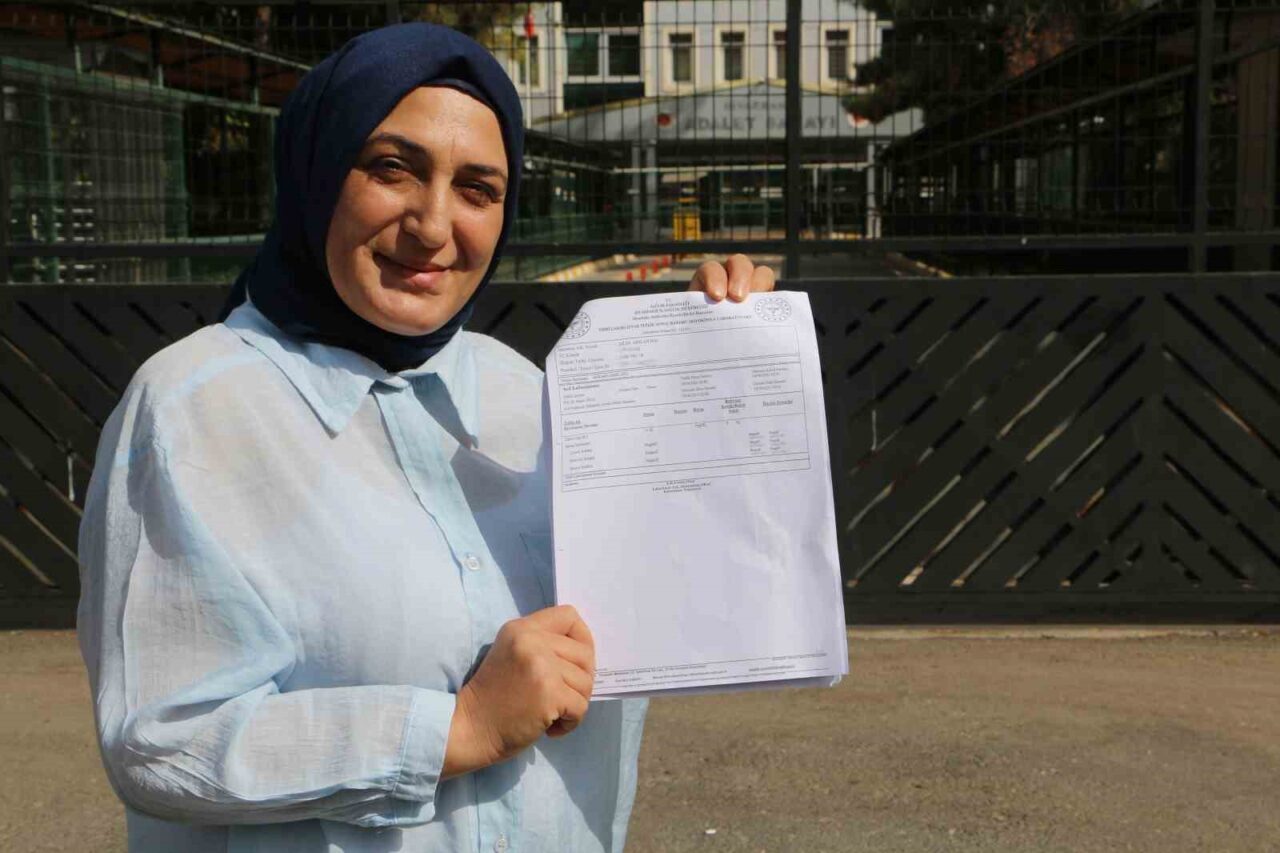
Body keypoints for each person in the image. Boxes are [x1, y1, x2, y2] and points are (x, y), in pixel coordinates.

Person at [76, 22, 776, 853]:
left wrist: (708, 377)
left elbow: (673, 601)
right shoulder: (195, 412)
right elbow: (158, 743)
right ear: (316, 173)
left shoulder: (537, 398)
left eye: (477, 188)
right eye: (392, 169)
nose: (434, 225)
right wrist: (455, 728)